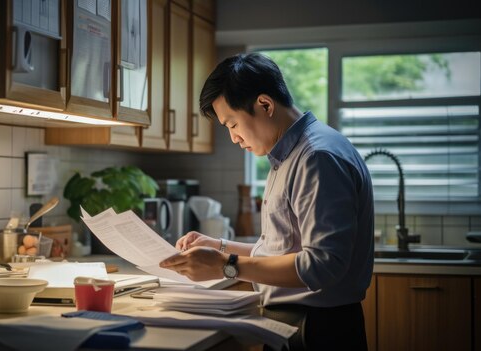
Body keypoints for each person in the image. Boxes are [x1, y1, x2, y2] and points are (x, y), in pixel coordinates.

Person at [159, 53, 374, 351]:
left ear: (265, 104)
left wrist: (226, 265)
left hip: (319, 329)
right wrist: (218, 246)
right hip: (299, 323)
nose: (233, 138)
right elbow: (283, 250)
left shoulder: (316, 157)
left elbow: (322, 265)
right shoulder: (287, 156)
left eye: (232, 124)